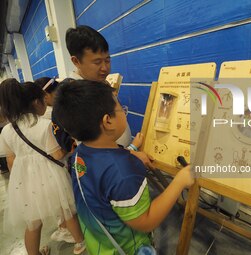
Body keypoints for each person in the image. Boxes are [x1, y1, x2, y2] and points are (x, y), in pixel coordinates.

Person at [53, 80, 194, 255]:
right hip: (128, 249)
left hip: (99, 245)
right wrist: (179, 181)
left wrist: (132, 150)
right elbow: (146, 221)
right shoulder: (125, 171)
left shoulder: (80, 154)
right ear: (108, 121)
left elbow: (105, 169)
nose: (124, 112)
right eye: (121, 108)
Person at [0, 79, 86, 255]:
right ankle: (79, 244)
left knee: (33, 222)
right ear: (35, 102)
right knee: (66, 210)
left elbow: (10, 161)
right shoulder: (43, 125)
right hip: (51, 176)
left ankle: (34, 253)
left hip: (24, 180)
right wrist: (69, 146)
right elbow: (57, 155)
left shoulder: (7, 130)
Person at [59, 25, 141, 149]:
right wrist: (132, 151)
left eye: (107, 60)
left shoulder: (98, 82)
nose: (105, 68)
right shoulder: (75, 97)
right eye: (97, 62)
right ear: (76, 61)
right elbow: (94, 148)